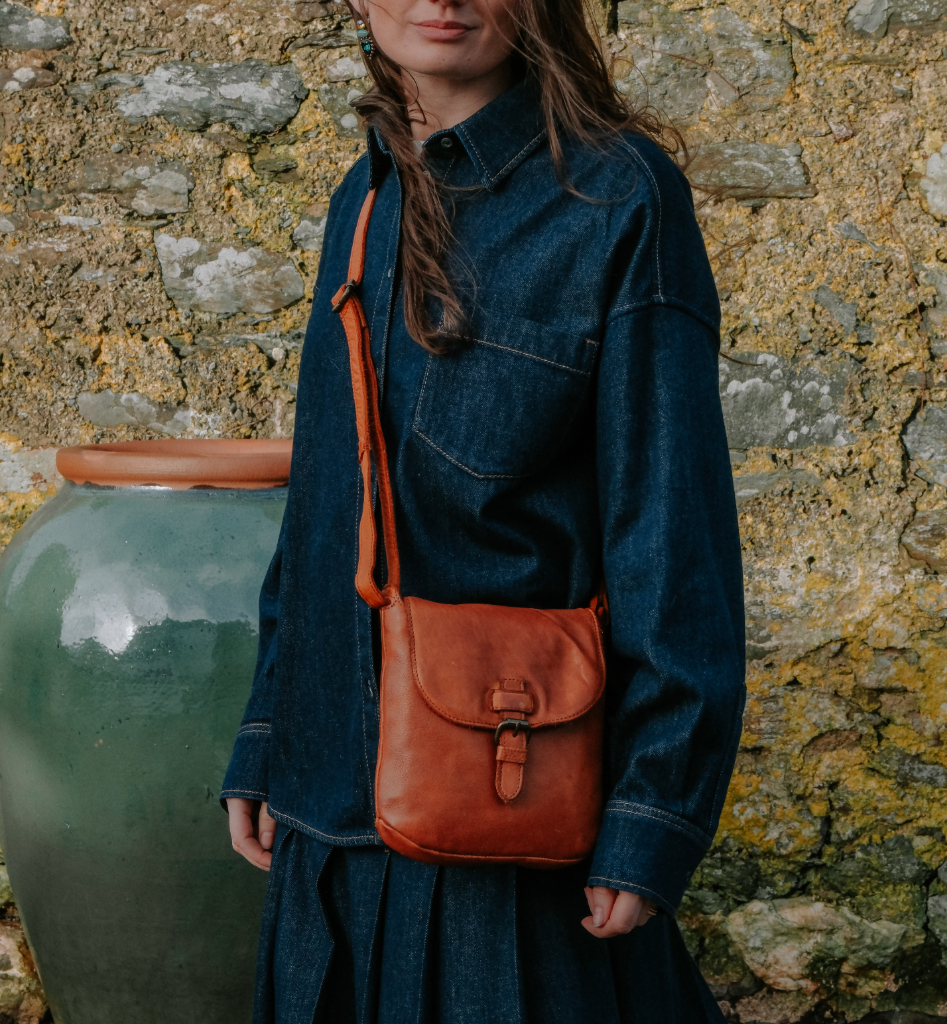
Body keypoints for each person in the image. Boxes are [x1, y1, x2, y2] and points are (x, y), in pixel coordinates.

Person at [222, 0, 746, 1016]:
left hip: (510, 814)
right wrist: (268, 729)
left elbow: (671, 528)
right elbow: (328, 503)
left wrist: (652, 812)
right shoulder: (362, 198)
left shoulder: (617, 195)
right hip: (328, 809)